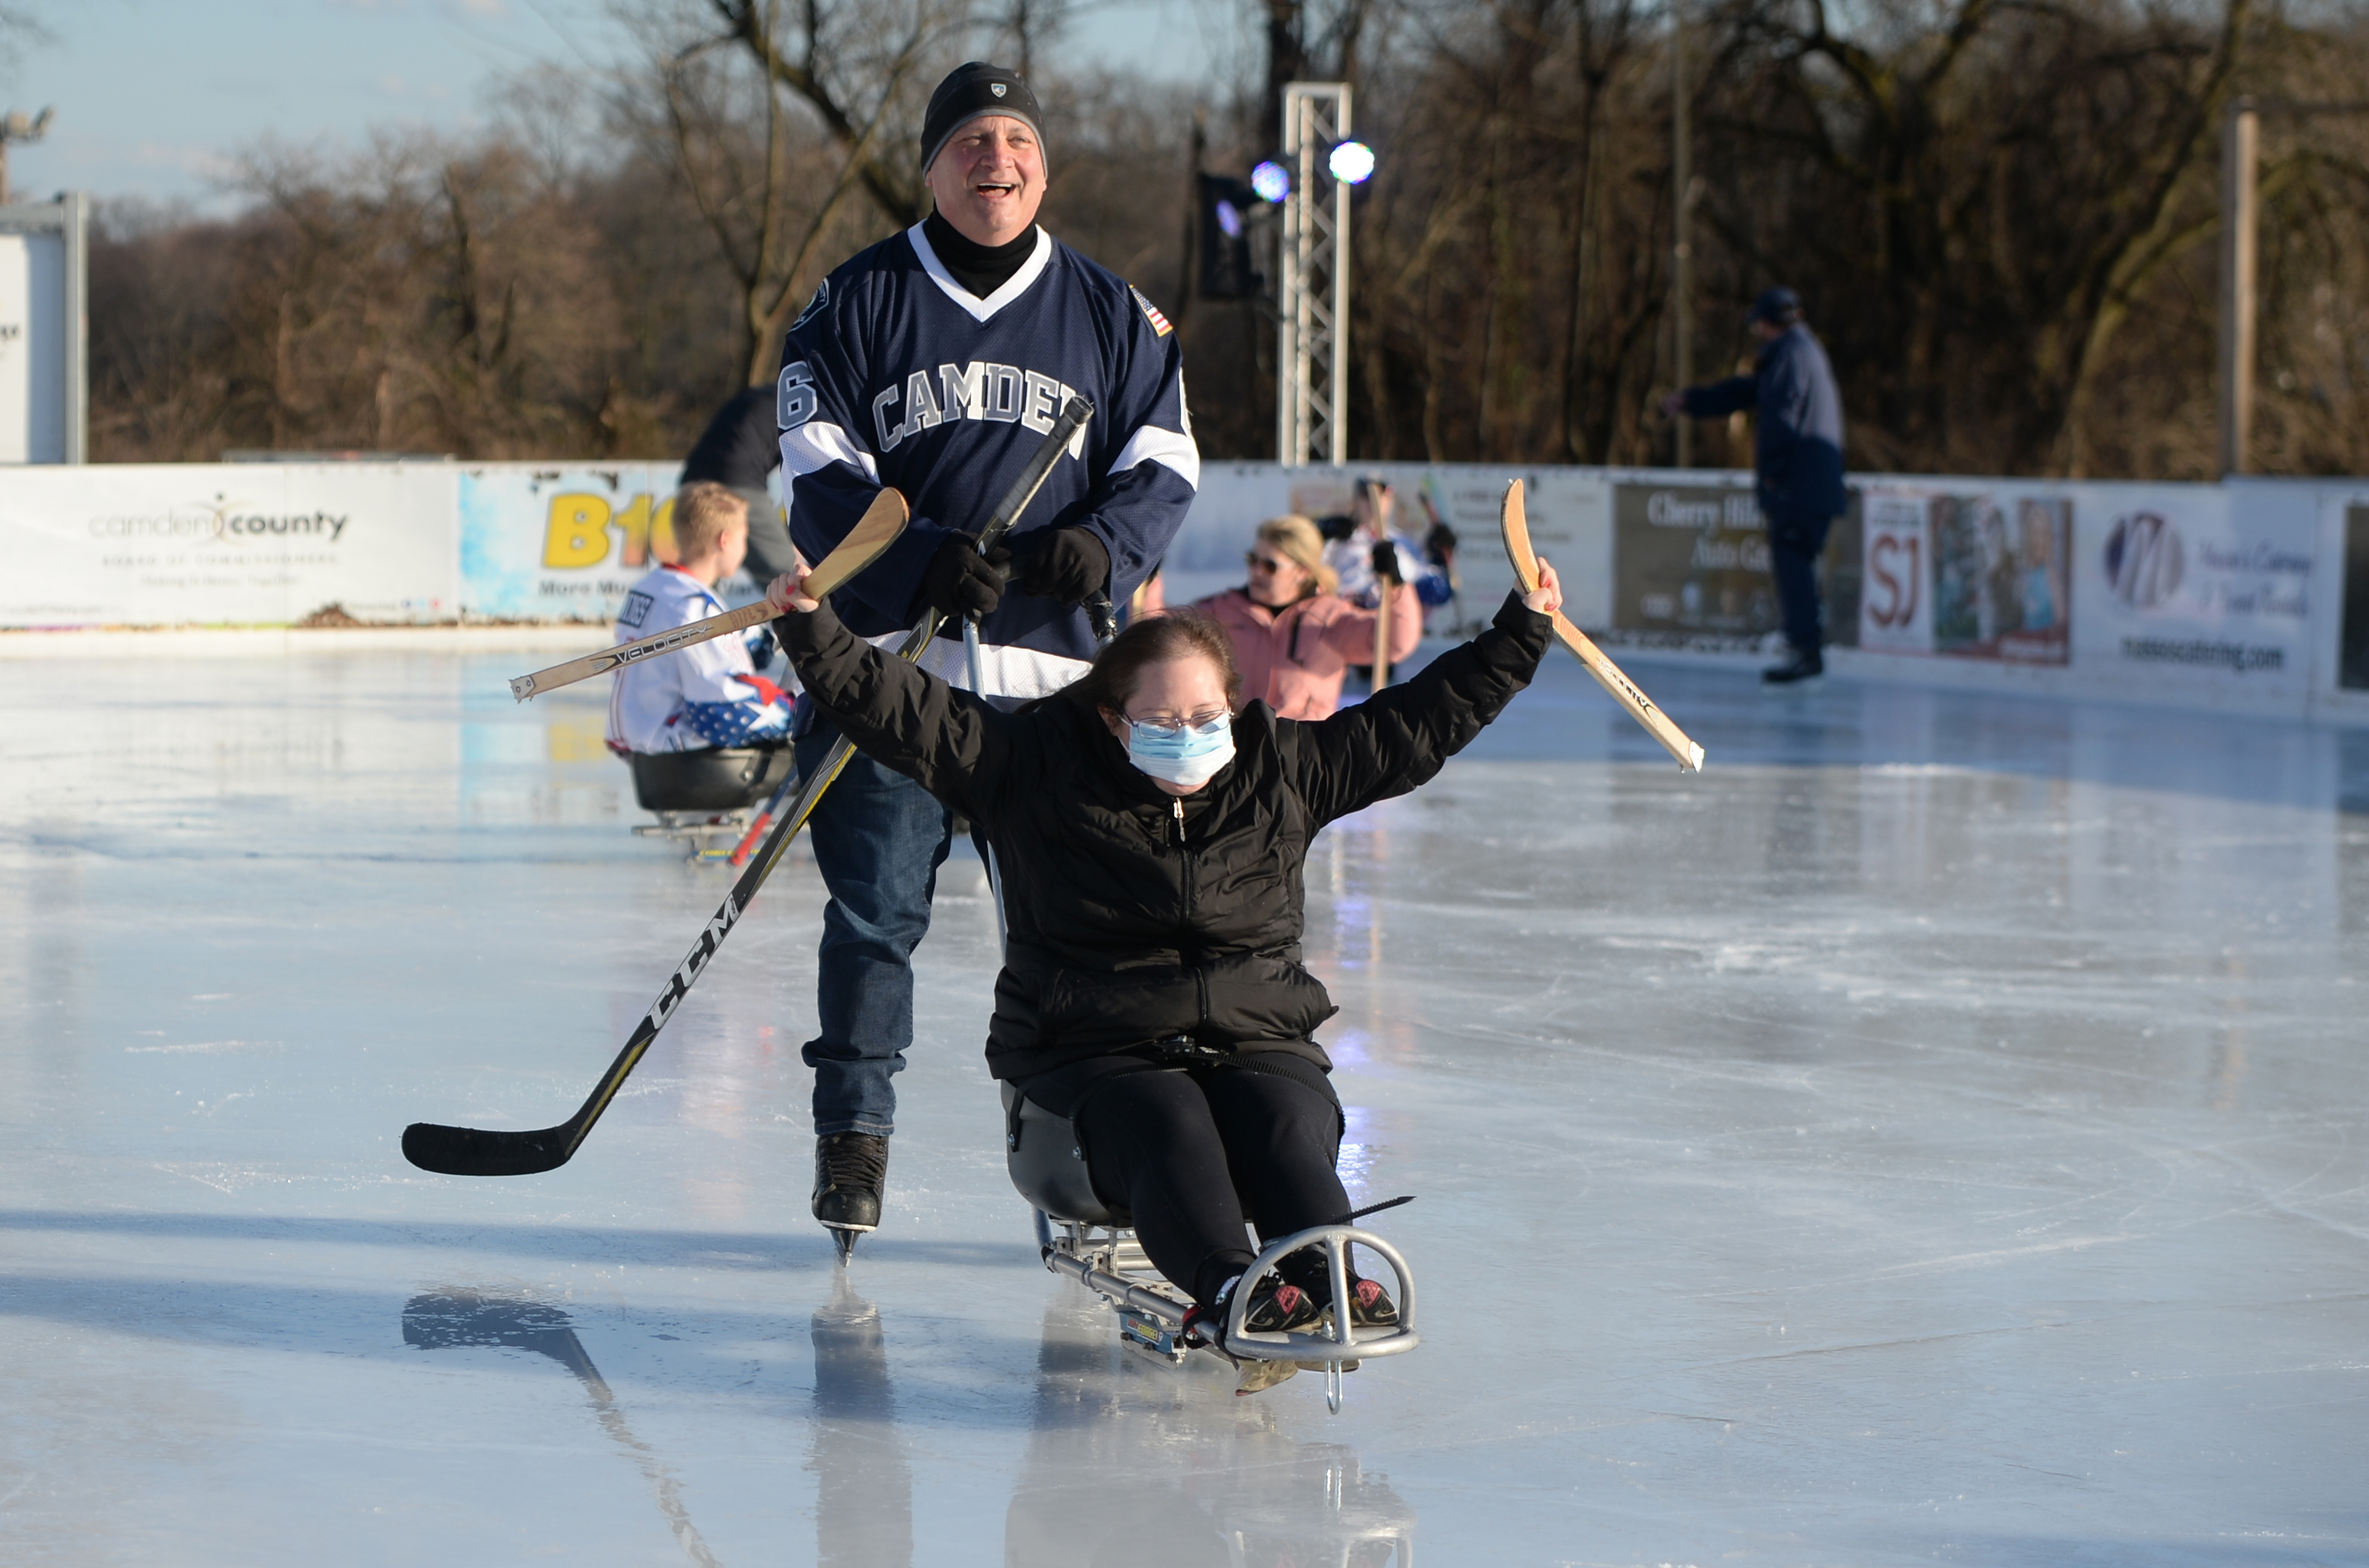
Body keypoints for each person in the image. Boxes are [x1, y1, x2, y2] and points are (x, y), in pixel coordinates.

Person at [762, 551, 1564, 1380]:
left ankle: (1328, 1273)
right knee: (1169, 1120)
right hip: (1097, 1051)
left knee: (1285, 1121)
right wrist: (808, 625)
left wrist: (1520, 629)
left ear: (1232, 705)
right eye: (1163, 717)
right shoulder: (1030, 765)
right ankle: (1229, 1288)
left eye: (1205, 713)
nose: (1190, 734)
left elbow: (1417, 722)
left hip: (1257, 1037)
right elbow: (901, 707)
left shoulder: (1280, 769)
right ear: (1112, 718)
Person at [772, 61, 1198, 1246]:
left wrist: (1097, 552)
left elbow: (1165, 468)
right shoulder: (849, 304)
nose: (995, 159)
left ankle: (1070, 1156)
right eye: (970, 140)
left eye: (1015, 138)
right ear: (931, 164)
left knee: (1064, 940)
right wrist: (920, 562)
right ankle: (852, 1142)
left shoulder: (1116, 313)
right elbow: (815, 473)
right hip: (894, 676)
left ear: (1043, 163)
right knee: (871, 922)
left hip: (1055, 694)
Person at [1660, 286, 1848, 684]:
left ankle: (1805, 651)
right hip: (1813, 483)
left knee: (1793, 562)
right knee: (1797, 563)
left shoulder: (1791, 355)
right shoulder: (1800, 352)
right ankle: (1805, 646)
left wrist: (1773, 473)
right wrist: (1693, 401)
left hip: (1799, 485)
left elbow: (1781, 415)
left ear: (1768, 322)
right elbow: (1748, 392)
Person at [606, 482, 791, 757]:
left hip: (636, 738)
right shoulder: (694, 605)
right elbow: (721, 708)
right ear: (725, 540)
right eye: (744, 539)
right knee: (810, 721)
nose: (745, 549)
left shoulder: (651, 587)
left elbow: (733, 645)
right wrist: (795, 709)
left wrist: (778, 631)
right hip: (674, 749)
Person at [1190, 515, 1418, 721]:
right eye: (1252, 560)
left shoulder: (1331, 617)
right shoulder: (1219, 611)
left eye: (1270, 566)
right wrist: (1154, 573)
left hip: (1304, 752)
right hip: (1236, 747)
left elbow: (1394, 642)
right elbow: (1161, 636)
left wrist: (1396, 587)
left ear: (1303, 572)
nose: (1257, 571)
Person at [680, 386, 799, 586]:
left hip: (692, 479)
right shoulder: (802, 404)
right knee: (786, 574)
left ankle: (693, 610)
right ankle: (802, 616)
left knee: (704, 561)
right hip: (737, 479)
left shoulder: (759, 395)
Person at [1320, 477, 1452, 618]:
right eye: (1366, 495)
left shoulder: (1401, 543)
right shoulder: (1339, 539)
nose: (1373, 502)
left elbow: (1435, 590)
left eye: (1382, 494)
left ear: (1390, 500)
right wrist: (1321, 534)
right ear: (1356, 500)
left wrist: (1439, 555)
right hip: (1344, 623)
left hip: (1387, 625)